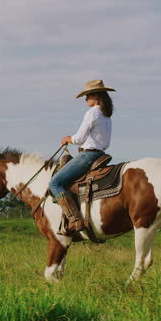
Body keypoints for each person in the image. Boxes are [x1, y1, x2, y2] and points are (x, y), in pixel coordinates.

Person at [49, 79, 115, 234]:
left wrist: (68, 139)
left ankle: (74, 219)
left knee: (54, 183)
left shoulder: (92, 113)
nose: (86, 99)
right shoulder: (106, 115)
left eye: (88, 95)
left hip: (87, 156)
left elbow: (78, 139)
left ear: (97, 96)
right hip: (100, 154)